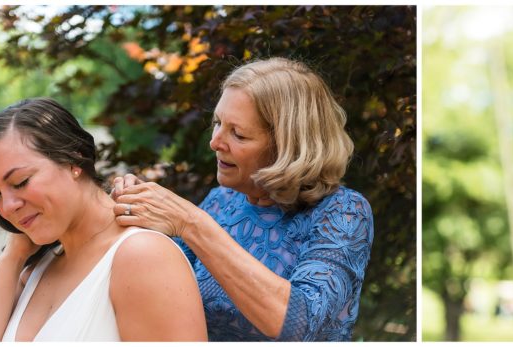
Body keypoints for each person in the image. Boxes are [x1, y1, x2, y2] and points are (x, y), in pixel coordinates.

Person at [110, 57, 374, 341]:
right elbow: (163, 285)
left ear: (288, 147)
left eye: (238, 134)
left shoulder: (344, 212)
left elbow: (301, 325)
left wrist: (191, 223)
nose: (215, 142)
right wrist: (133, 211)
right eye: (217, 123)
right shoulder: (222, 201)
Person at [0, 98, 206, 341]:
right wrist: (12, 256)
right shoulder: (33, 273)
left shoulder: (143, 256)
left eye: (20, 182)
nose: (8, 206)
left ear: (73, 160)